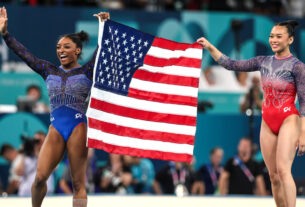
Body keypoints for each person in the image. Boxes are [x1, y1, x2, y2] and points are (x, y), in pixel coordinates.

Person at [0, 7, 110, 207]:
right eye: (58, 47)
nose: (61, 51)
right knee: (40, 177)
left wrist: (105, 25)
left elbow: (102, 49)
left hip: (77, 127)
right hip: (55, 128)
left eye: (66, 47)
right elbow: (25, 55)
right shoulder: (48, 70)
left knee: (77, 182)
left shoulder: (87, 70)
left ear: (77, 50)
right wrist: (5, 34)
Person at [197, 20, 305, 207]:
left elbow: (304, 101)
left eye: (279, 36)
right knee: (273, 176)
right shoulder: (263, 61)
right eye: (271, 36)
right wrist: (210, 47)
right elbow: (231, 64)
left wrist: (303, 132)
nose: (274, 40)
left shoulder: (297, 67)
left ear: (291, 39)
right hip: (268, 120)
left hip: (288, 118)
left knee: (283, 170)